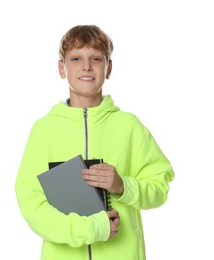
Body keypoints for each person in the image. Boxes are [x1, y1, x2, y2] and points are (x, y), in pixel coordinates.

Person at [15, 25, 174, 260]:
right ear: (62, 68)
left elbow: (160, 188)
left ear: (108, 68)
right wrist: (91, 229)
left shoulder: (130, 127)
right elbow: (31, 204)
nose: (86, 66)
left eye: (96, 58)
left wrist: (123, 186)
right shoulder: (43, 130)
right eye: (76, 58)